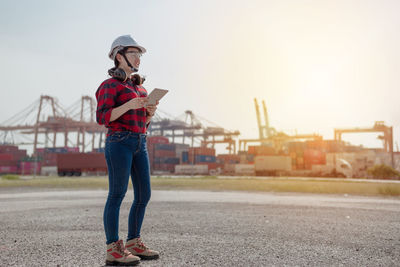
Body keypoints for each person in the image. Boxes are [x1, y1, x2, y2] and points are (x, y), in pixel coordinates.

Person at [95, 34, 159, 266]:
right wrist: (128, 105)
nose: (138, 58)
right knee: (117, 194)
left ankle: (134, 242)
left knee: (144, 195)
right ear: (118, 56)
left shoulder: (140, 89)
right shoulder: (109, 86)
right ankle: (113, 248)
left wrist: (149, 113)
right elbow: (102, 117)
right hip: (119, 142)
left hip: (140, 142)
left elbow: (143, 122)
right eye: (134, 53)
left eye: (139, 54)